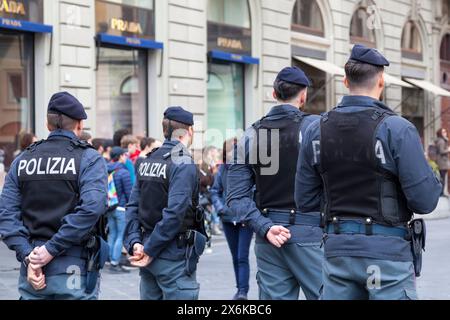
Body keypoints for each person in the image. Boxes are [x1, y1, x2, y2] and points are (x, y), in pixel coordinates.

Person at [296, 44, 442, 300]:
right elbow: (425, 200)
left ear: (345, 81)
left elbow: (304, 201)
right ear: (381, 81)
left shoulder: (315, 129)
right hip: (387, 257)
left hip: (337, 253)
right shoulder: (398, 129)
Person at [0, 92, 108, 300]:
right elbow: (92, 208)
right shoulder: (89, 158)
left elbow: (6, 216)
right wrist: (50, 249)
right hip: (74, 267)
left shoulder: (23, 160)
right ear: (79, 125)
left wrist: (28, 257)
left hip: (32, 268)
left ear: (48, 125)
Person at [227, 66, 323, 300]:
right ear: (303, 95)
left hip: (270, 234)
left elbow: (235, 198)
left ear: (273, 94)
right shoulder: (317, 127)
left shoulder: (250, 134)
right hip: (311, 232)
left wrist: (264, 226)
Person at [124, 106, 207, 300]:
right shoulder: (183, 162)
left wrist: (136, 242)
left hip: (147, 250)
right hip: (172, 254)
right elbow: (175, 213)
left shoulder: (148, 159)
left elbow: (133, 206)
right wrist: (149, 249)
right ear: (189, 131)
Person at [210, 138, 253, 300]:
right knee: (235, 256)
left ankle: (243, 291)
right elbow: (215, 191)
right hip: (227, 218)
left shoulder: (248, 168)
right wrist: (221, 209)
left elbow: (254, 191)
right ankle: (239, 288)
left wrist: (247, 212)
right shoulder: (222, 170)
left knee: (242, 256)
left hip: (244, 219)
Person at [106, 147, 133, 273]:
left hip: (109, 207)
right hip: (121, 208)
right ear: (121, 156)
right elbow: (129, 192)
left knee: (112, 234)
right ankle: (115, 263)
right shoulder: (123, 172)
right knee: (120, 236)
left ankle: (110, 259)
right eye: (125, 155)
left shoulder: (106, 170)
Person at [435, 128, 450, 196]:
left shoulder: (442, 140)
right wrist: (448, 150)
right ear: (440, 133)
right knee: (443, 178)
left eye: (445, 131)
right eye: (443, 132)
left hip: (443, 162)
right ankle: (442, 193)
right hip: (442, 162)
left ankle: (442, 192)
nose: (445, 133)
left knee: (443, 178)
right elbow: (441, 151)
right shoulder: (441, 141)